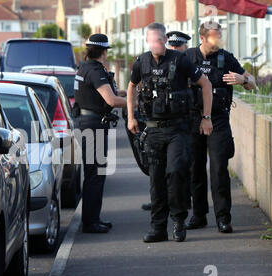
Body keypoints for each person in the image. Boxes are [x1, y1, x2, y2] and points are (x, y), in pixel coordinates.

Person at [127, 23, 213, 242]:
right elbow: (131, 87)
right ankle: (158, 228)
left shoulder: (180, 60)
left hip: (178, 129)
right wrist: (131, 116)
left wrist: (206, 117)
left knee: (175, 173)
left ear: (165, 40)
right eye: (152, 40)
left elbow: (205, 85)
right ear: (147, 41)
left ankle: (178, 221)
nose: (156, 44)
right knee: (156, 180)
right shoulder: (141, 61)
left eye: (159, 40)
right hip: (153, 129)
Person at [185, 22, 256, 233]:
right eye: (215, 36)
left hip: (218, 119)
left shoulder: (226, 57)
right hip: (193, 118)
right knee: (195, 168)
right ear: (203, 38)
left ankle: (223, 218)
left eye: (220, 35)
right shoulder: (188, 57)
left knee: (218, 169)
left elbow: (252, 83)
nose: (219, 39)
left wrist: (243, 79)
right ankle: (199, 215)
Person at [74, 33, 127, 234]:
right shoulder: (95, 71)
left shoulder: (84, 67)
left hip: (87, 123)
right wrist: (133, 102)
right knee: (95, 175)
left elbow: (107, 95)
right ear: (103, 52)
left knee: (93, 174)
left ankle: (92, 218)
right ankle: (90, 222)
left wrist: (124, 93)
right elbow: (111, 100)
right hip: (93, 125)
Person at [140, 30, 193, 212]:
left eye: (178, 45)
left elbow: (198, 89)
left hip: (184, 122)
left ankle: (182, 205)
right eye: (173, 45)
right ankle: (165, 205)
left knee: (179, 169)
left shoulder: (184, 62)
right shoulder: (150, 62)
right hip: (158, 125)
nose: (175, 48)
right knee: (159, 173)